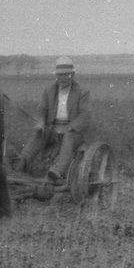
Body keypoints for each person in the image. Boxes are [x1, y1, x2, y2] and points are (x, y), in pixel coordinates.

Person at [25, 56, 91, 185]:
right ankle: (21, 163)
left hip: (74, 133)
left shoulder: (82, 92)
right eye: (60, 75)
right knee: (37, 134)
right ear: (56, 76)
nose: (63, 78)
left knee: (69, 135)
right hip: (53, 129)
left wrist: (71, 127)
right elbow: (41, 109)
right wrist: (40, 122)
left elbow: (85, 115)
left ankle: (57, 171)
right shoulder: (49, 91)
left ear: (72, 75)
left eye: (67, 75)